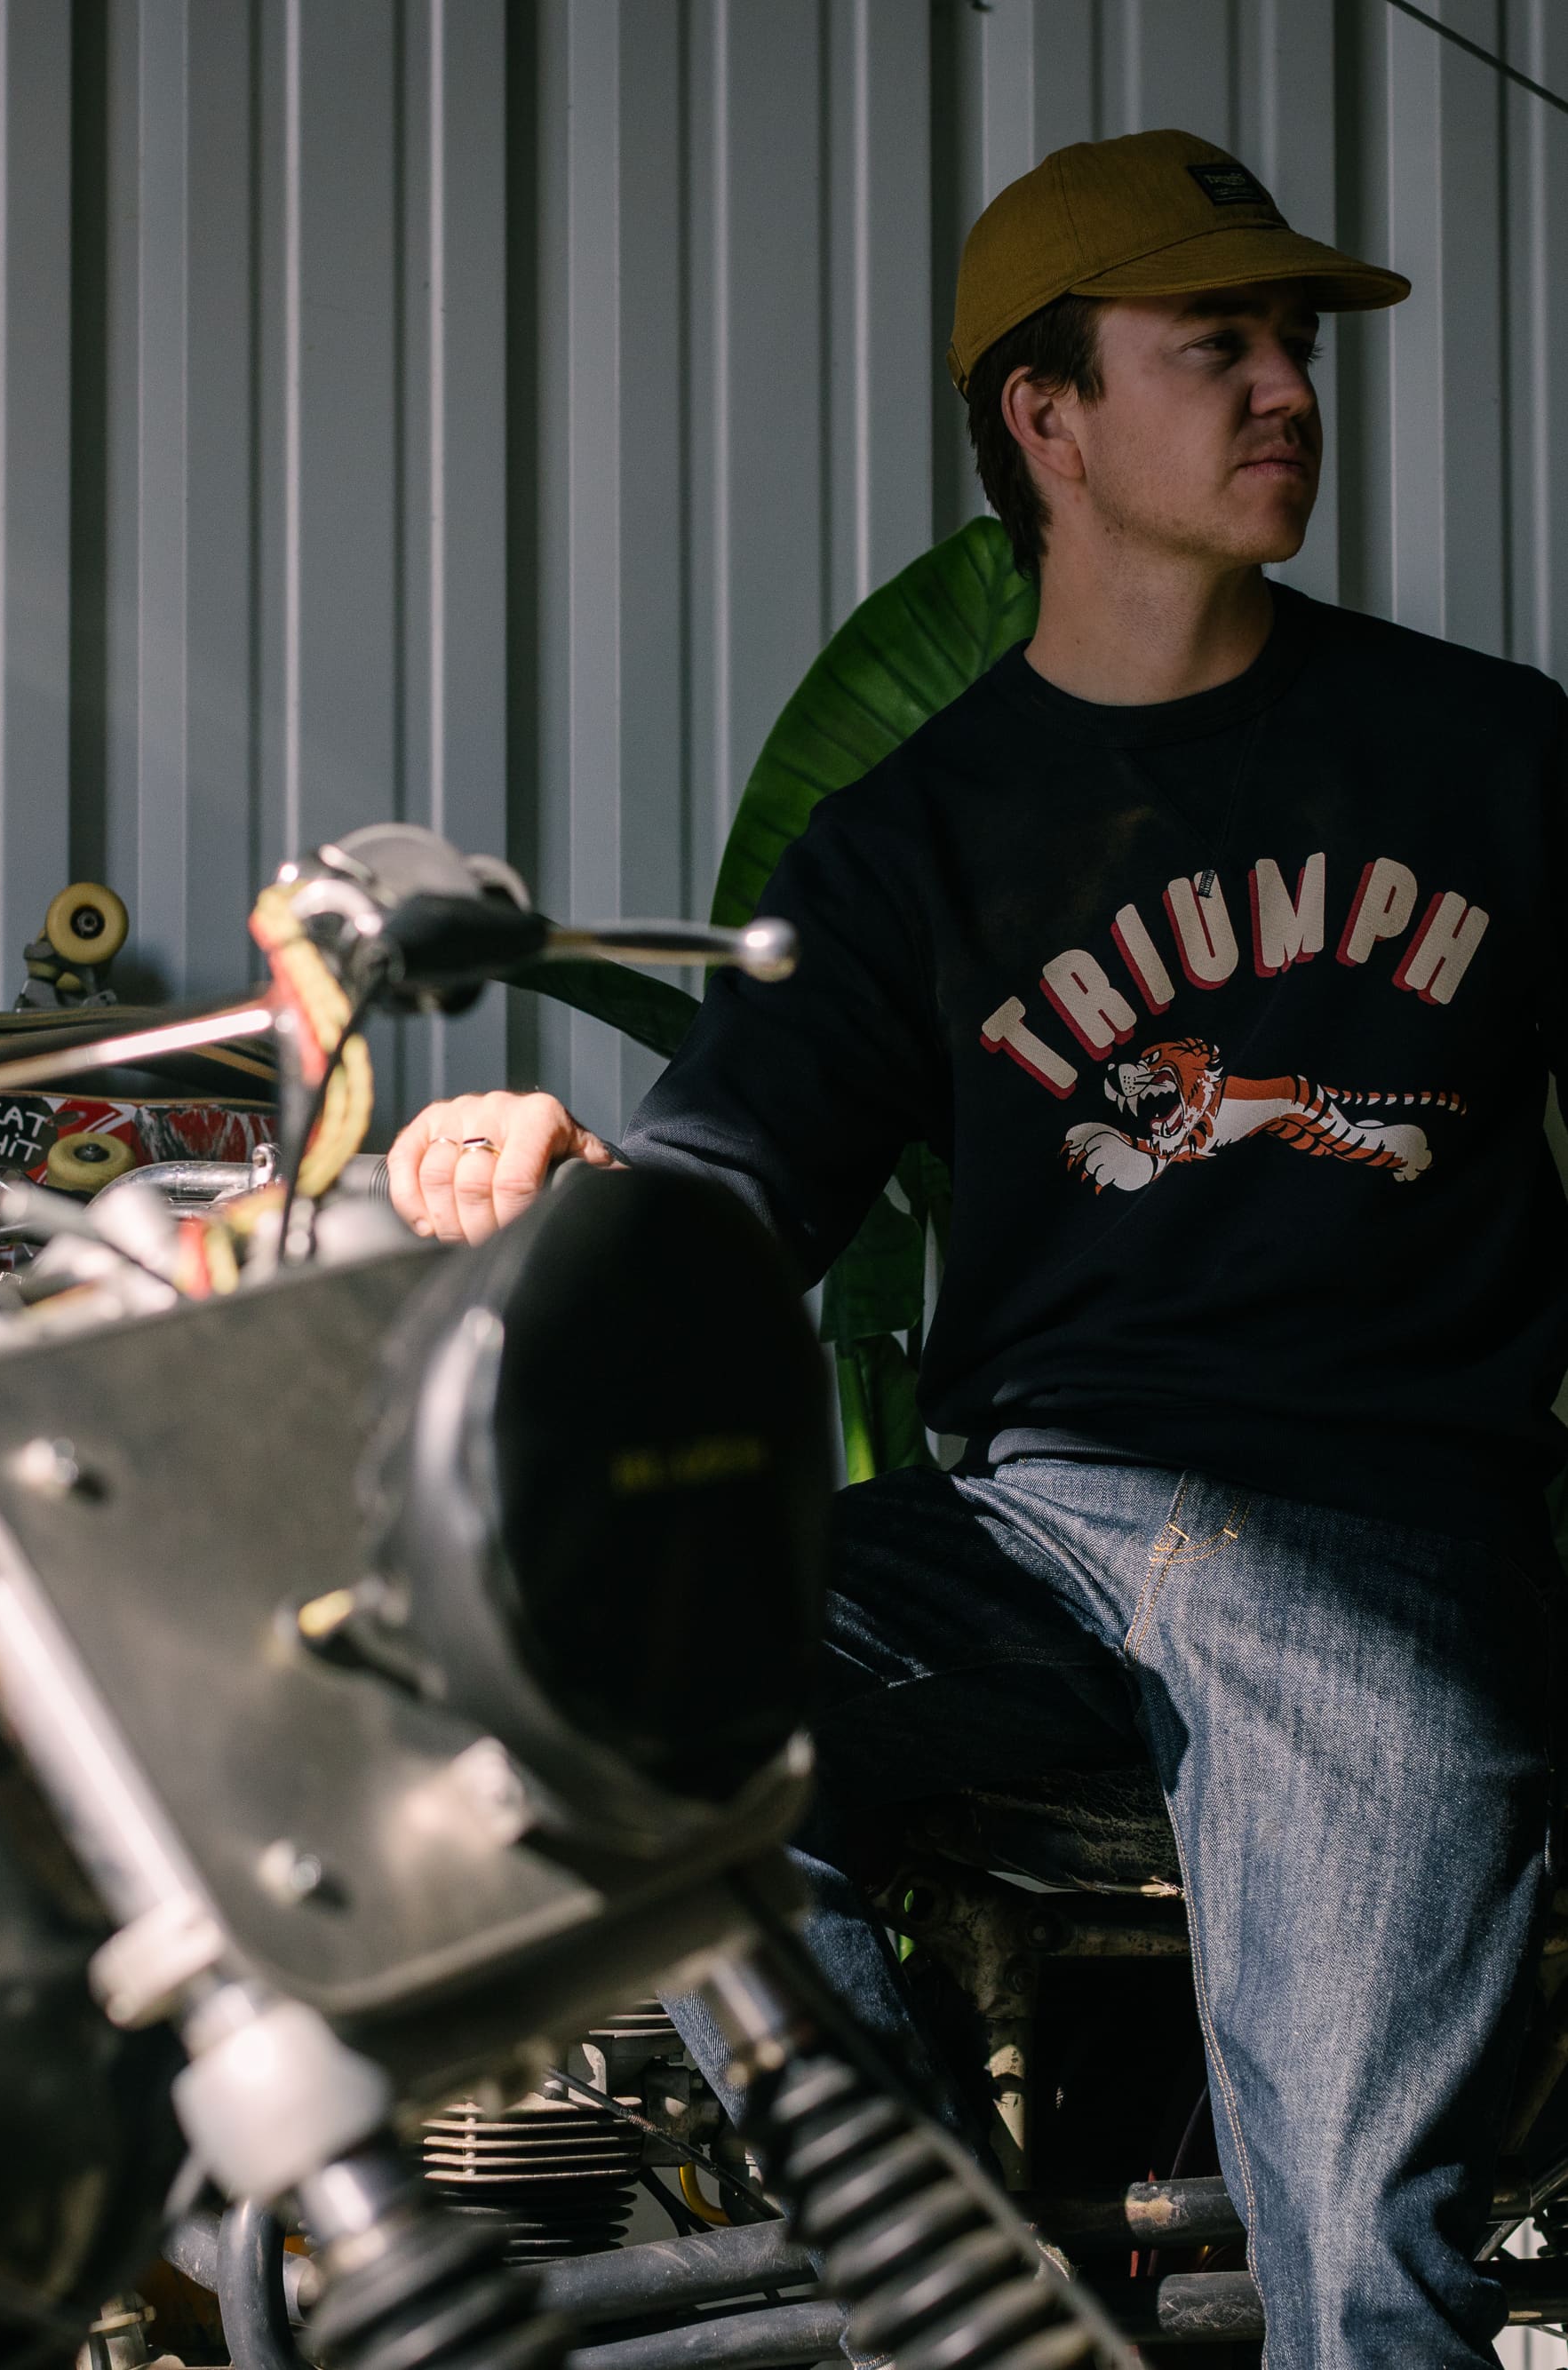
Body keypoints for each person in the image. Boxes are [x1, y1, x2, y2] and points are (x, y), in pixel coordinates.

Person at [389, 128, 1568, 2366]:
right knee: (595, 1685)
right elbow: (732, 1188)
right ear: (1044, 419)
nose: (1280, 390)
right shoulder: (909, 841)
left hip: (1376, 1537)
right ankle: (972, 2299)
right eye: (1206, 345)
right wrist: (563, 1180)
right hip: (1031, 1534)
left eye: (1288, 344)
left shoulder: (1488, 762)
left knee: (1366, 2268)